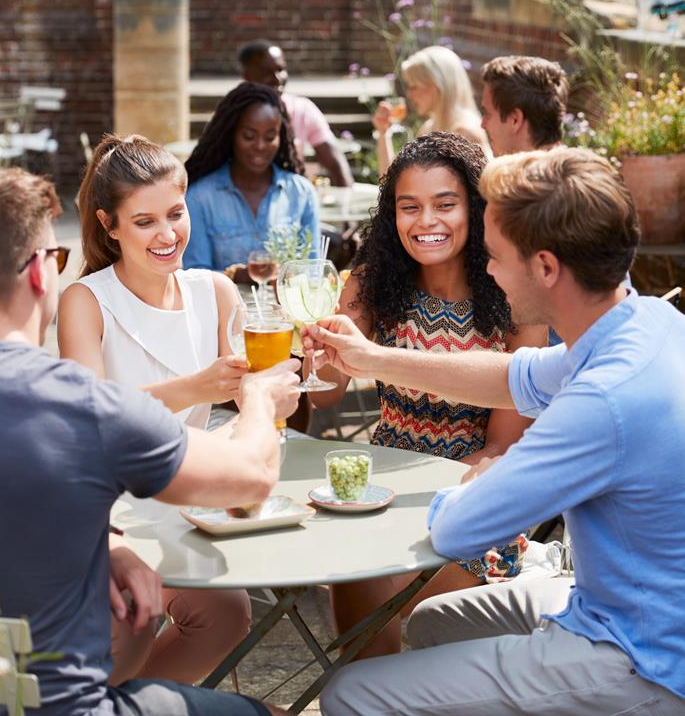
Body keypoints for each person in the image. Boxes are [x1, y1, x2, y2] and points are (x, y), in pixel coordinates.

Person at [304, 148, 685, 715]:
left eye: (499, 254)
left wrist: (433, 487)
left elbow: (461, 528)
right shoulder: (647, 321)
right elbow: (512, 376)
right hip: (609, 602)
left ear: (546, 267)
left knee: (350, 693)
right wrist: (371, 358)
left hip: (637, 654)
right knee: (432, 624)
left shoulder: (598, 402)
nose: (488, 267)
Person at [0, 167, 301, 716]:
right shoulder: (77, 404)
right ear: (41, 275)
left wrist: (108, 546)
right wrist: (257, 397)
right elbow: (252, 473)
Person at [310, 132, 547, 658]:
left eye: (446, 204)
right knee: (352, 573)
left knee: (375, 581)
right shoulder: (370, 284)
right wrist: (316, 351)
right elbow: (325, 397)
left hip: (472, 499)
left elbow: (501, 448)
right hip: (376, 494)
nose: (426, 222)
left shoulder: (514, 298)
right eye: (409, 207)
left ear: (476, 209)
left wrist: (439, 507)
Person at [58, 133, 253, 685]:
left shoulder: (215, 290)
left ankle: (137, 705)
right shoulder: (85, 300)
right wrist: (194, 388)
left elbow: (245, 399)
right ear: (109, 225)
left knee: (226, 612)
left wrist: (280, 382)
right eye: (144, 222)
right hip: (105, 505)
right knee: (133, 620)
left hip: (183, 498)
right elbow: (89, 417)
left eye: (176, 212)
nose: (168, 234)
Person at [182, 82, 320, 284]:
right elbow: (194, 277)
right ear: (231, 134)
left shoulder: (301, 193)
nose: (260, 146)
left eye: (270, 137)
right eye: (249, 136)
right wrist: (237, 275)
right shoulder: (199, 197)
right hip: (224, 312)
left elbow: (313, 270)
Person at [239, 39, 353, 187]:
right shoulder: (232, 114)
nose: (276, 78)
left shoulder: (303, 109)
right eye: (266, 72)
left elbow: (336, 164)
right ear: (247, 76)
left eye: (280, 70)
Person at [372, 45, 490, 177]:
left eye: (414, 86)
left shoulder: (465, 132)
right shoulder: (429, 128)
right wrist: (383, 133)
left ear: (437, 86)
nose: (409, 95)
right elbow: (394, 181)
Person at [479, 54, 568, 157]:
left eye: (487, 114)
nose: (483, 124)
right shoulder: (575, 170)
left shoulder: (518, 173)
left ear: (515, 119)